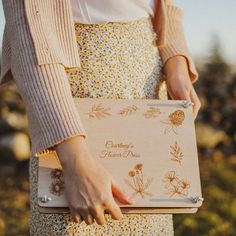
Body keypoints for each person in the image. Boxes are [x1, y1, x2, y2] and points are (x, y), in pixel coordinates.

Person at [0, 0, 201, 235]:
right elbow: (28, 29)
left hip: (147, 87)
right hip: (72, 107)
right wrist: (75, 161)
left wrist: (175, 58)